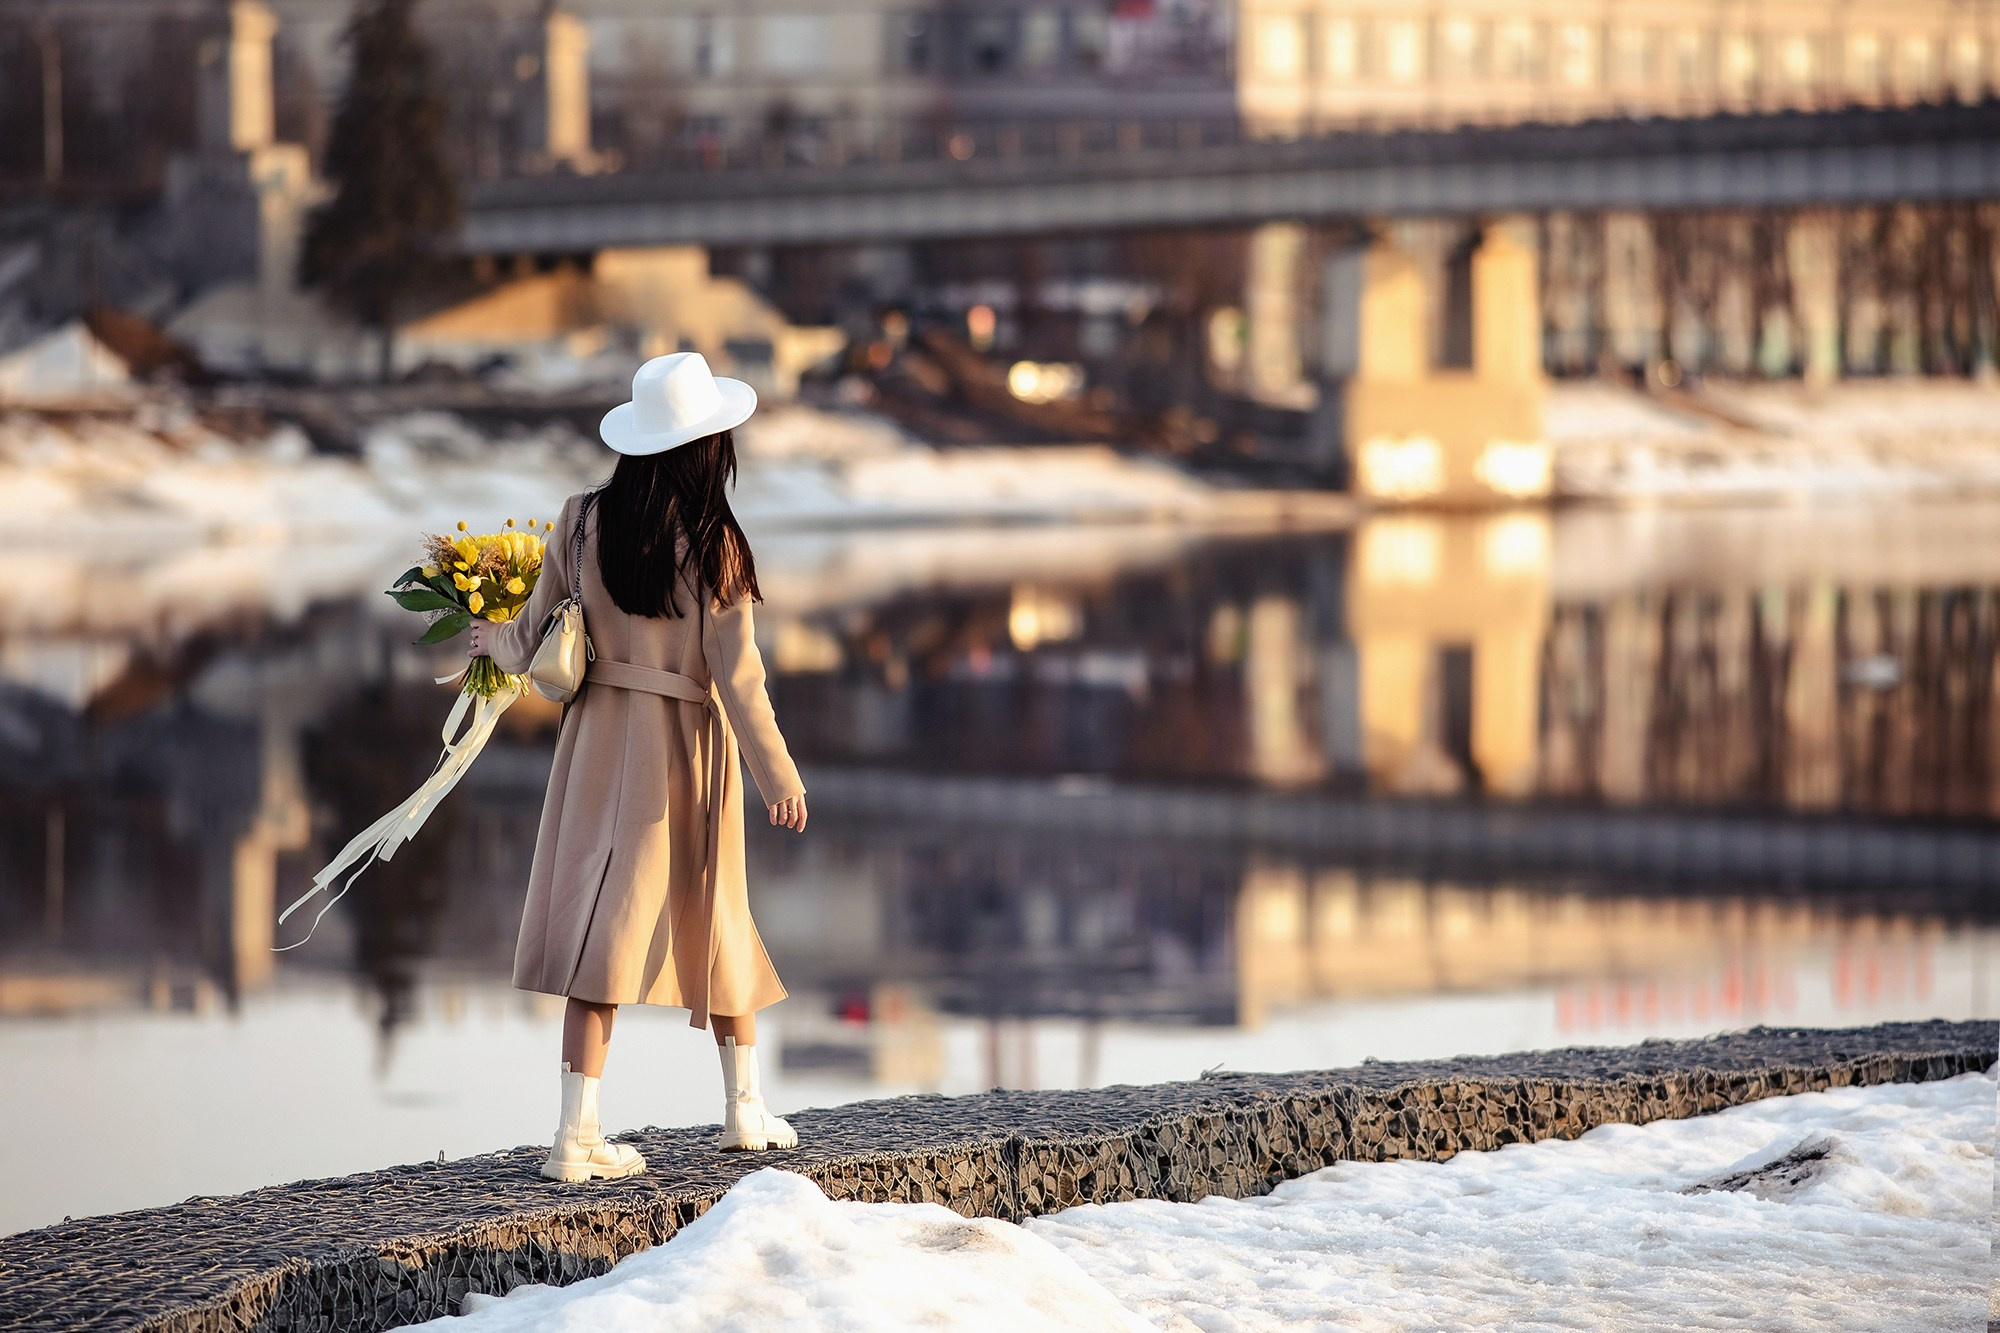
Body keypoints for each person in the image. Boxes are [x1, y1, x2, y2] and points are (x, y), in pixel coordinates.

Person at [472, 352, 808, 1183]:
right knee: (718, 909)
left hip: (595, 743)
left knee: (598, 927)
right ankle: (743, 1110)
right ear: (706, 447)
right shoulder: (719, 544)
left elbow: (532, 630)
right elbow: (739, 677)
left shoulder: (583, 518)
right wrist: (779, 775)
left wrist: (487, 640)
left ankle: (573, 1131)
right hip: (684, 749)